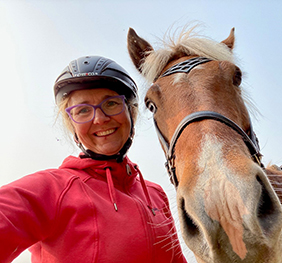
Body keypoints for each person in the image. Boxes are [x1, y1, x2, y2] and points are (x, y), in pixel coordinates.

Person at [0, 55, 187, 262]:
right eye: (82, 110)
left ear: (131, 112)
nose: (99, 119)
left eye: (111, 104)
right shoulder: (51, 189)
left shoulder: (155, 195)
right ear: (72, 126)